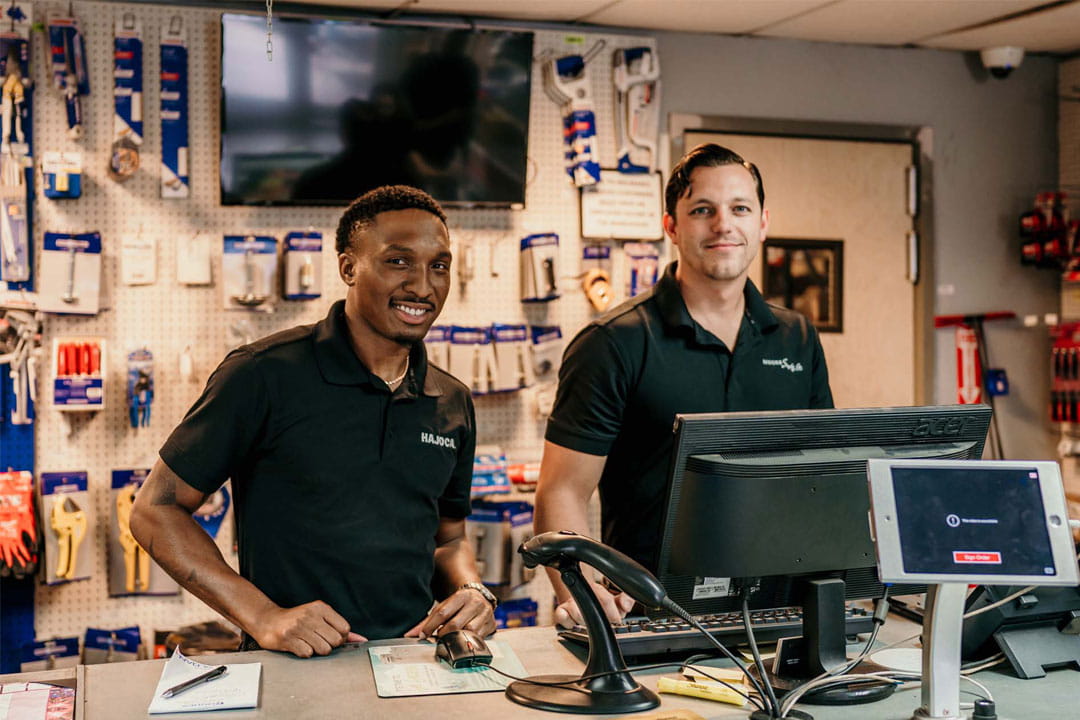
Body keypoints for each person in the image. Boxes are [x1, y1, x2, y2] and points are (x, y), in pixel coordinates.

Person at [130, 185, 496, 657]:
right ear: (348, 267)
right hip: (292, 667)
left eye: (439, 266)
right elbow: (154, 510)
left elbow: (448, 540)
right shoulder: (262, 374)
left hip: (417, 662)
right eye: (398, 261)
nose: (423, 287)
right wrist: (262, 616)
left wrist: (471, 591)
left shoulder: (451, 400)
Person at [534, 144, 834, 628]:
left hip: (779, 614)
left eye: (740, 208)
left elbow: (822, 478)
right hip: (646, 614)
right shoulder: (614, 343)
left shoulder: (797, 338)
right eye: (702, 210)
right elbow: (562, 489)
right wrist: (583, 588)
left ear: (762, 223)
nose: (723, 224)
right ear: (671, 226)